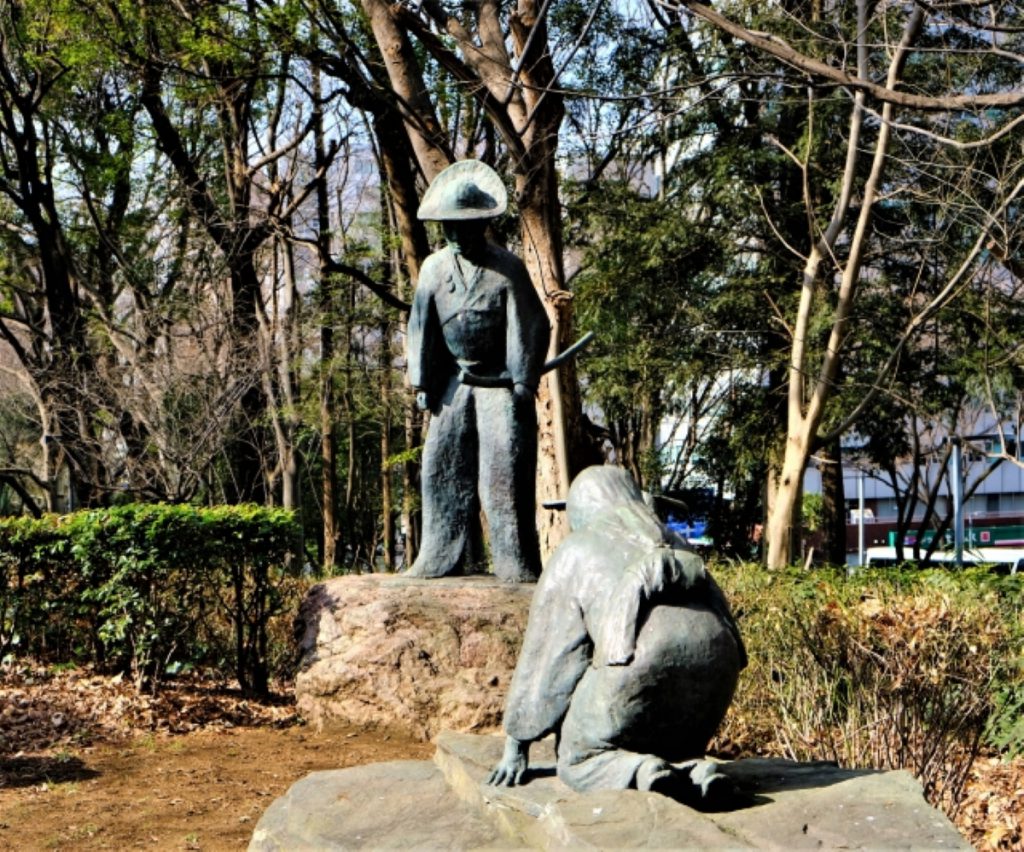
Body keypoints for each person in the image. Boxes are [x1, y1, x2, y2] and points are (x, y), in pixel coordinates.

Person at [488, 465, 748, 809]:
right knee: (676, 746)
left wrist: (517, 743)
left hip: (640, 661)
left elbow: (552, 653)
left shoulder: (576, 550)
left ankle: (642, 771)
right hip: (718, 664)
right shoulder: (675, 540)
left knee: (577, 759)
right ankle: (697, 771)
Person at [406, 160, 550, 582]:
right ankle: (437, 555)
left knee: (504, 470)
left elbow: (531, 324)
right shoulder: (433, 268)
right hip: (454, 385)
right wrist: (422, 381)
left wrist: (523, 381)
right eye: (448, 227)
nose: (455, 235)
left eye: (463, 226)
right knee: (439, 464)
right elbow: (421, 327)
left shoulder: (507, 269)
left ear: (481, 224)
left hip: (499, 385)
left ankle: (514, 562)